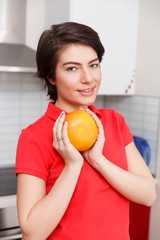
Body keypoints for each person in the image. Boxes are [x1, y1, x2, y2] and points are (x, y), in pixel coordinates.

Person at [15, 22, 156, 240]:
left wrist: (98, 160)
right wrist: (72, 166)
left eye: (93, 65)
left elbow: (148, 195)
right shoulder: (34, 137)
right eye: (72, 68)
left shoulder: (114, 122)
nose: (88, 78)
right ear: (51, 77)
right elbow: (32, 234)